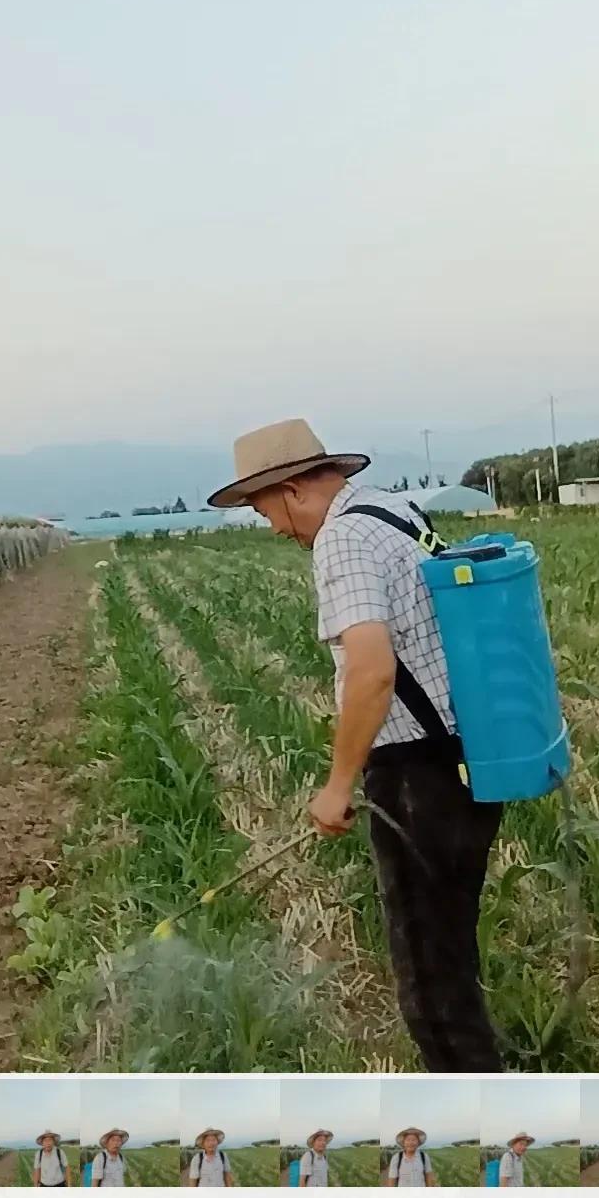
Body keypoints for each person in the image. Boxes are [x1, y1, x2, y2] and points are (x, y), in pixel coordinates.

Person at [209, 420, 504, 1072]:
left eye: (265, 512)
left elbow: (372, 671)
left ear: (291, 490)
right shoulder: (394, 510)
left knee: (430, 980)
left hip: (418, 779)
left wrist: (338, 785)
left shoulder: (341, 538)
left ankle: (482, 1128)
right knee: (448, 954)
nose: (275, 529)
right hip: (463, 758)